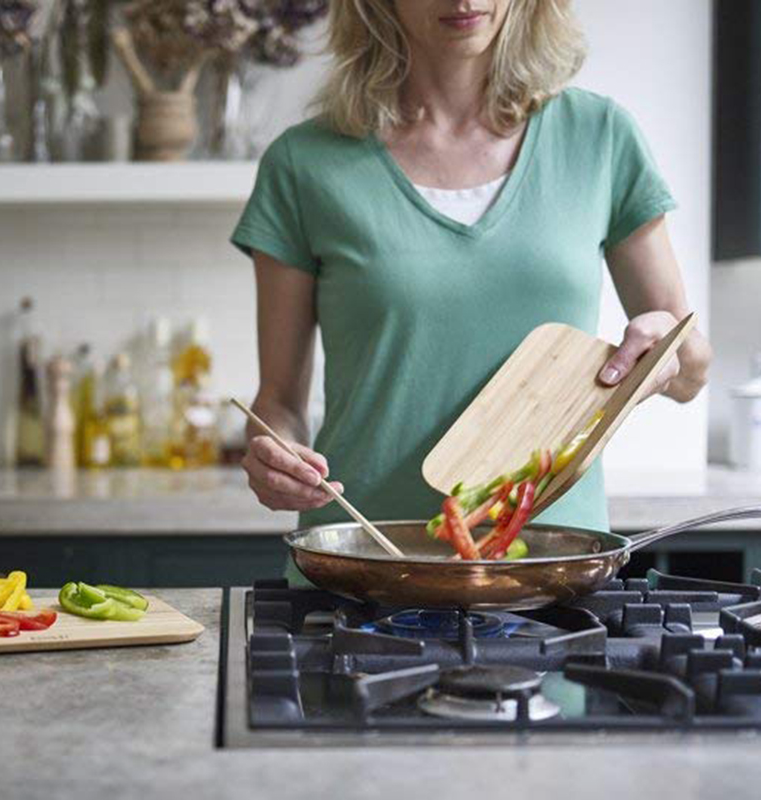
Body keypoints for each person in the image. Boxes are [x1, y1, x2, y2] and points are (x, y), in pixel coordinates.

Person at [232, 0, 712, 546]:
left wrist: (665, 352)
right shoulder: (303, 163)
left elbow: (691, 365)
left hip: (551, 559)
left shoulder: (600, 137)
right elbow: (279, 403)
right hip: (363, 556)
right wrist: (274, 455)